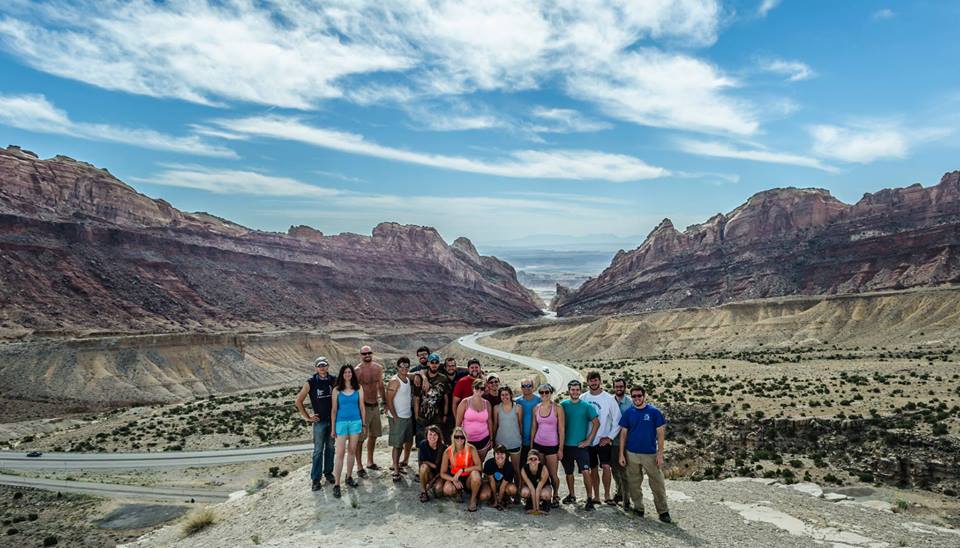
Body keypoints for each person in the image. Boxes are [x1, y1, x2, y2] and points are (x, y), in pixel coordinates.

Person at [618, 385, 671, 523]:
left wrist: (660, 454)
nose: (636, 398)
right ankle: (638, 508)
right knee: (634, 483)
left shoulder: (654, 412)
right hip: (632, 453)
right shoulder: (629, 413)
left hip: (650, 454)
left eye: (639, 396)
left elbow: (660, 434)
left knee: (657, 483)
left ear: (644, 396)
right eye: (634, 396)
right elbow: (623, 434)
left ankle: (663, 511)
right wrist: (621, 454)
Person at [294, 356, 336, 491]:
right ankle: (316, 479)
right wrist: (308, 417)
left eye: (324, 365)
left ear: (328, 366)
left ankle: (328, 473)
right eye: (319, 365)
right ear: (316, 368)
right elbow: (298, 401)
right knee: (318, 450)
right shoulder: (311, 382)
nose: (322, 367)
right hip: (319, 422)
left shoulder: (333, 380)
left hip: (333, 420)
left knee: (330, 448)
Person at [581, 371, 623, 506]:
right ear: (588, 382)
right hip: (589, 440)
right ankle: (596, 496)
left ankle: (607, 495)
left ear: (600, 381)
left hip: (603, 440)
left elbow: (618, 420)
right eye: (591, 380)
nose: (594, 383)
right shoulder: (583, 398)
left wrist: (610, 437)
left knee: (606, 467)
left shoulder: (609, 399)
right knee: (592, 469)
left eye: (596, 380)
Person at [560, 379, 600, 510]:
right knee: (569, 473)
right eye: (573, 389)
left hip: (581, 447)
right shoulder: (563, 405)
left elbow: (596, 423)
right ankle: (572, 495)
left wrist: (589, 440)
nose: (575, 392)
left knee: (585, 472)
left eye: (577, 389)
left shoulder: (587, 406)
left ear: (580, 390)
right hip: (566, 446)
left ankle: (589, 498)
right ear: (569, 391)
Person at [331, 364, 366, 499]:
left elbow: (362, 407)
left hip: (355, 422)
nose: (347, 374)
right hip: (341, 423)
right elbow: (334, 410)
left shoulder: (358, 388)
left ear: (352, 374)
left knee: (352, 451)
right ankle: (337, 484)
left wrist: (363, 424)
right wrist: (333, 428)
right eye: (345, 372)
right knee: (339, 454)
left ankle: (349, 477)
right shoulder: (337, 390)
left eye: (349, 372)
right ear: (342, 374)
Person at [529, 383, 564, 508]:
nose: (544, 394)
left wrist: (560, 448)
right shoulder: (536, 408)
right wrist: (532, 447)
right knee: (540, 473)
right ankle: (544, 496)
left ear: (551, 393)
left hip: (552, 446)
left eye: (547, 392)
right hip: (538, 445)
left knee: (553, 474)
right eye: (541, 392)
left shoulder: (557, 408)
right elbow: (534, 428)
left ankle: (555, 495)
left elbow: (561, 429)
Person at [355, 345, 386, 477]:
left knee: (374, 435)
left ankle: (370, 461)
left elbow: (380, 386)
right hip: (363, 407)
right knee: (361, 438)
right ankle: (359, 466)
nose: (367, 355)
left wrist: (385, 401)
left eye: (369, 353)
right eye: (364, 353)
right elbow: (353, 390)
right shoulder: (357, 371)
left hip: (375, 406)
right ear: (360, 355)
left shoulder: (378, 368)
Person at [439, 426, 482, 512]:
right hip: (455, 477)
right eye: (456, 437)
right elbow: (442, 473)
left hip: (468, 478)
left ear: (465, 438)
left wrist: (462, 470)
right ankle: (458, 493)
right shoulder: (448, 451)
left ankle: (473, 499)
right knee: (447, 490)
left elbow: (479, 466)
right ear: (453, 438)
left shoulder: (471, 449)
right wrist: (453, 479)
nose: (459, 439)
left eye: (462, 437)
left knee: (476, 475)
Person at [386, 357, 414, 482]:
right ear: (397, 367)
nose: (404, 368)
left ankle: (400, 464)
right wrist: (395, 416)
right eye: (402, 366)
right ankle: (396, 470)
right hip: (398, 417)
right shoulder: (394, 381)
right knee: (397, 445)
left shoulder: (407, 379)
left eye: (407, 366)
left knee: (405, 441)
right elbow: (389, 400)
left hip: (407, 416)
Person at [492, 386, 523, 493]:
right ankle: (500, 492)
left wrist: (520, 439)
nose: (505, 396)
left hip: (514, 442)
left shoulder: (518, 407)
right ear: (500, 396)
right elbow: (495, 425)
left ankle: (517, 492)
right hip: (500, 443)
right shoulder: (496, 408)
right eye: (502, 395)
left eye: (506, 394)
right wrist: (493, 440)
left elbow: (520, 424)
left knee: (516, 469)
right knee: (500, 468)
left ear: (510, 395)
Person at [414, 353, 449, 444]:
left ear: (439, 364)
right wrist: (416, 416)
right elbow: (417, 398)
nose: (434, 364)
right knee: (422, 442)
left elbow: (446, 399)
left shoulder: (443, 378)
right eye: (432, 362)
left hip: (437, 417)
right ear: (428, 363)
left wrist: (445, 415)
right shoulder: (420, 378)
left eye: (436, 362)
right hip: (422, 417)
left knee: (436, 442)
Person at [456, 378, 494, 461]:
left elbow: (490, 422)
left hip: (484, 440)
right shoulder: (465, 402)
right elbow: (458, 424)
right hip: (467, 440)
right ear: (473, 388)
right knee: (468, 463)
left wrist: (491, 439)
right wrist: (457, 439)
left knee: (481, 463)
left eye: (482, 388)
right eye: (477, 387)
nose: (479, 390)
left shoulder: (487, 404)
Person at [610, 377, 633, 508]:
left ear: (624, 387)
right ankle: (618, 493)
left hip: (626, 442)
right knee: (614, 470)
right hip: (613, 442)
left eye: (621, 386)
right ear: (614, 387)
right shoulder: (610, 401)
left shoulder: (630, 403)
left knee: (624, 471)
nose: (619, 389)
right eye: (616, 386)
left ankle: (626, 499)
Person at [480, 444, 518, 510]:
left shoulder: (509, 466)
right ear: (494, 455)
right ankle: (493, 497)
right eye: (497, 454)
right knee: (483, 496)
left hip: (503, 485)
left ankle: (504, 497)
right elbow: (491, 481)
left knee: (513, 489)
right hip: (490, 484)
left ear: (506, 455)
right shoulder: (489, 463)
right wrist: (495, 500)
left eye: (502, 454)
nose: (500, 456)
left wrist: (498, 501)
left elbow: (503, 485)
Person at [515, 377, 542, 467]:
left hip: (537, 440)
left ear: (533, 387)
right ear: (521, 388)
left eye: (529, 385)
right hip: (521, 441)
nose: (526, 387)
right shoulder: (517, 401)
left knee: (537, 467)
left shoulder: (539, 400)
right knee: (521, 466)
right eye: (524, 386)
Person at [417, 425, 447, 502]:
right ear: (426, 435)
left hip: (439, 474)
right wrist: (431, 464)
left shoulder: (443, 447)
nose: (432, 437)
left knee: (438, 492)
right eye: (430, 434)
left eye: (435, 435)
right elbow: (421, 462)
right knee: (423, 467)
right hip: (429, 472)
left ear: (438, 436)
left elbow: (444, 469)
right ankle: (424, 491)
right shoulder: (423, 444)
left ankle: (433, 485)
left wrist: (432, 481)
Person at [520, 449, 553, 515]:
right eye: (530, 459)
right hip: (531, 487)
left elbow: (538, 489)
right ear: (527, 460)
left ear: (539, 460)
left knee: (545, 494)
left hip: (543, 488)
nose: (533, 461)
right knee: (524, 492)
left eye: (535, 459)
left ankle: (546, 502)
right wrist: (534, 509)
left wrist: (536, 509)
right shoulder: (524, 469)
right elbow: (532, 489)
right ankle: (530, 502)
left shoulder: (543, 469)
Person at [443, 357, 467, 439]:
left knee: (459, 436)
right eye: (448, 366)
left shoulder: (461, 375)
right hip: (444, 412)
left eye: (453, 366)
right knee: (446, 437)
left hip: (459, 411)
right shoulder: (442, 377)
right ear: (445, 367)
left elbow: (474, 370)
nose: (451, 368)